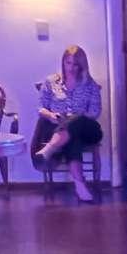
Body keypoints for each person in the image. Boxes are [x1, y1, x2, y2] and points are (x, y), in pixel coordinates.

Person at [30, 45, 104, 202]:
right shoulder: (51, 82)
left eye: (76, 64)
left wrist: (72, 118)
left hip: (87, 128)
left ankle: (49, 148)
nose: (71, 68)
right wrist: (51, 115)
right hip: (59, 128)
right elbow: (40, 108)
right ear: (63, 62)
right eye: (68, 63)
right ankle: (80, 186)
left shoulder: (90, 84)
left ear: (82, 65)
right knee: (72, 138)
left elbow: (95, 112)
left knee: (75, 122)